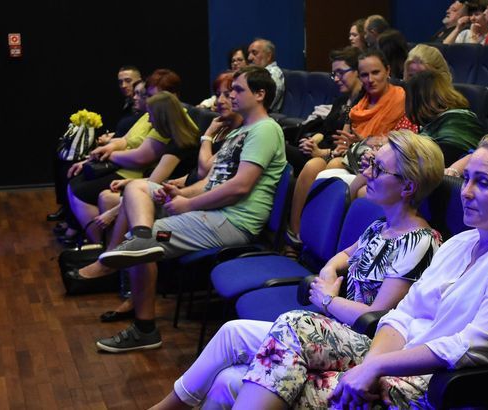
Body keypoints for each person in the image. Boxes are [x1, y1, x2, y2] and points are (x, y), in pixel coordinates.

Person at [233, 134, 488, 408]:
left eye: (483, 183)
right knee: (294, 324)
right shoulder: (463, 241)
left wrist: (376, 368)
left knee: (276, 383)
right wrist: (373, 364)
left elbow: (471, 346)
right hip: (395, 354)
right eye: (467, 178)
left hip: (436, 381)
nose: (466, 191)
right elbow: (402, 314)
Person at [149, 130, 446, 410]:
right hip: (336, 329)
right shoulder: (382, 226)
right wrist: (328, 271)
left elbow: (377, 317)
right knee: (229, 356)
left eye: (378, 169)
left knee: (233, 369)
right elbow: (344, 256)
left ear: (408, 187)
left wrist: (327, 299)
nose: (367, 173)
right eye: (370, 164)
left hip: (367, 347)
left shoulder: (419, 241)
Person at [92, 66, 286, 352]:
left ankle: (144, 329)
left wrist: (188, 203)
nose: (231, 95)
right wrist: (181, 193)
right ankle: (126, 254)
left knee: (145, 241)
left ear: (260, 94)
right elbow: (211, 179)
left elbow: (240, 187)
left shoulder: (265, 130)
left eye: (238, 90)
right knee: (137, 190)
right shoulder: (241, 131)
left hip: (232, 222)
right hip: (213, 214)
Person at [68, 72, 244, 323]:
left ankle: (131, 300)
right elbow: (201, 178)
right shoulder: (226, 132)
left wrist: (186, 194)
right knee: (134, 197)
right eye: (220, 94)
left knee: (142, 234)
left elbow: (210, 174)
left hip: (212, 216)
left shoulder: (244, 134)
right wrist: (178, 188)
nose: (223, 99)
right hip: (190, 199)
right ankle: (116, 267)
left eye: (231, 93)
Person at [285, 50, 416, 256]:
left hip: (378, 162)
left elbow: (401, 139)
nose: (370, 79)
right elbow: (342, 141)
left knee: (331, 166)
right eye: (365, 75)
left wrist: (360, 143)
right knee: (312, 166)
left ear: (388, 70)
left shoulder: (401, 99)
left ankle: (327, 244)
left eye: (375, 72)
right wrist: (341, 146)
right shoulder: (358, 104)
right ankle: (297, 235)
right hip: (350, 155)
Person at [66, 69, 198, 243]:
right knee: (108, 196)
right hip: (162, 189)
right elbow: (157, 179)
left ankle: (118, 251)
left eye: (151, 116)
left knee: (112, 200)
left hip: (172, 201)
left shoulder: (180, 143)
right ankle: (112, 252)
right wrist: (128, 182)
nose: (149, 121)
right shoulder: (177, 135)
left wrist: (112, 212)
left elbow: (155, 180)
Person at [48, 66, 142, 226]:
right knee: (62, 160)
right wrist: (111, 138)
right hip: (116, 150)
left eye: (128, 81)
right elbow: (128, 135)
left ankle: (74, 223)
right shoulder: (129, 105)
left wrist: (110, 145)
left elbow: (136, 143)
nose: (124, 85)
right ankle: (67, 209)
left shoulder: (145, 112)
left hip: (124, 162)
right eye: (120, 82)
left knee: (74, 172)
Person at [286, 47, 364, 175]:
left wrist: (321, 152)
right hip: (317, 151)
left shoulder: (363, 103)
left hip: (331, 158)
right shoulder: (341, 100)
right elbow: (324, 130)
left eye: (341, 73)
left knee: (279, 147)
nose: (336, 79)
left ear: (357, 71)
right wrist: (311, 142)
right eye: (334, 74)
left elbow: (346, 145)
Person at [248, 38, 285, 113]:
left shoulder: (274, 74)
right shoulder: (256, 74)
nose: (249, 58)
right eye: (249, 53)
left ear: (268, 56)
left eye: (254, 53)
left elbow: (263, 105)